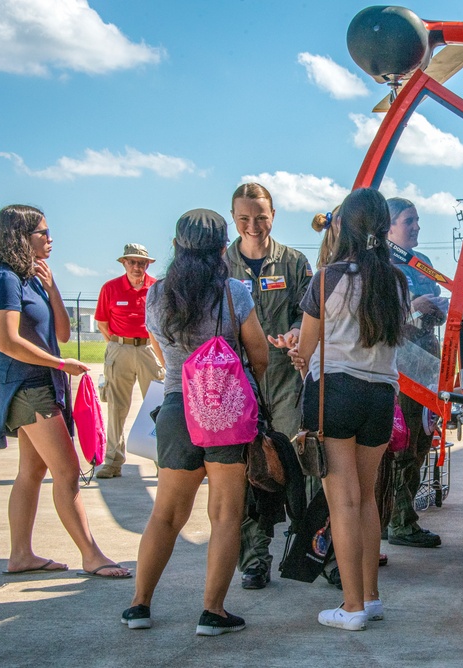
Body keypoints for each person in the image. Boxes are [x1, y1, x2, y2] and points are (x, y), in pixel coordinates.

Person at [122, 209, 269, 635]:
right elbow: (258, 353)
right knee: (225, 514)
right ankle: (213, 611)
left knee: (166, 513)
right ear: (223, 250)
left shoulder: (157, 295)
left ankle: (139, 605)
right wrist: (241, 392)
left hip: (175, 408)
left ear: (175, 247)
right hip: (223, 413)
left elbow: (163, 350)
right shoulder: (234, 293)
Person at [0, 204, 131, 579]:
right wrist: (61, 365)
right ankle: (91, 555)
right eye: (42, 233)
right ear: (21, 236)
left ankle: (20, 555)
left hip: (42, 383)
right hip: (25, 386)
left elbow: (62, 334)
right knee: (67, 473)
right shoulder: (4, 280)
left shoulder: (31, 278)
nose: (50, 239)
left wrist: (52, 287)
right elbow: (8, 341)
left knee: (31, 471)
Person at [289, 187, 410, 630]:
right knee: (368, 498)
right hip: (381, 394)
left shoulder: (328, 276)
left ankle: (352, 606)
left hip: (336, 391)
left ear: (344, 225)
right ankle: (372, 598)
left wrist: (296, 352)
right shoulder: (396, 281)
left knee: (343, 500)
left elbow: (307, 347)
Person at [225, 182, 312, 590]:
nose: (253, 225)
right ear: (234, 219)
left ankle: (310, 549)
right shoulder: (221, 264)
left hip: (284, 377)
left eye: (261, 217)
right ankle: (254, 559)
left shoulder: (294, 263)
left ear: (273, 215)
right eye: (244, 218)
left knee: (300, 463)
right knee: (249, 471)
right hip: (238, 383)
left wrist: (296, 330)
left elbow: (308, 311)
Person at [385, 197, 447, 548]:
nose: (417, 226)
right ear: (389, 227)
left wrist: (435, 310)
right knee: (402, 443)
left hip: (427, 362)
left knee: (423, 439)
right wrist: (411, 308)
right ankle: (399, 520)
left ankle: (396, 514)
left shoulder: (422, 264)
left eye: (418, 220)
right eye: (409, 221)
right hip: (400, 365)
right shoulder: (382, 263)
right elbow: (381, 313)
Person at [93, 243, 165, 479]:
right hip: (119, 349)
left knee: (158, 406)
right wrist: (117, 345)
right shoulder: (111, 288)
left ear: (148, 264)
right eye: (132, 262)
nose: (137, 267)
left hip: (148, 349)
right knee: (116, 407)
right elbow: (102, 322)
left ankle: (161, 461)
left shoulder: (156, 288)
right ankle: (113, 461)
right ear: (124, 263)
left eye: (141, 263)